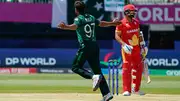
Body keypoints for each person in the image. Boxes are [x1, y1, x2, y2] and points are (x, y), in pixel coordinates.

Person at [58, 1, 120, 101]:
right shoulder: (91, 17)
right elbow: (102, 23)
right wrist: (113, 23)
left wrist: (65, 27)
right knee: (98, 71)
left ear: (76, 10)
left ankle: (93, 77)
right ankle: (106, 94)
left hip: (85, 46)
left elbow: (75, 26)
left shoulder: (78, 18)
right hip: (94, 46)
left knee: (75, 67)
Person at [115, 4, 147, 96]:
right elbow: (117, 36)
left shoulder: (136, 22)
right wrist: (123, 44)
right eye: (131, 11)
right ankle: (126, 90)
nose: (133, 13)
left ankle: (136, 89)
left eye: (134, 11)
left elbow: (139, 34)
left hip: (137, 49)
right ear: (126, 12)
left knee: (139, 68)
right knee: (126, 69)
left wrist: (143, 46)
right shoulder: (121, 23)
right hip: (127, 50)